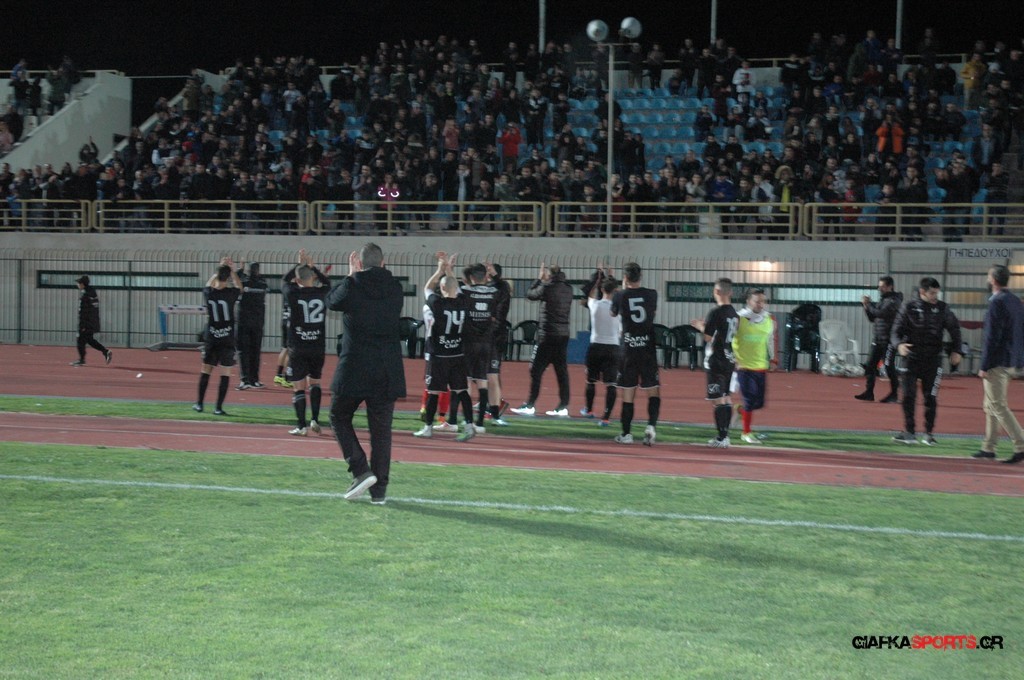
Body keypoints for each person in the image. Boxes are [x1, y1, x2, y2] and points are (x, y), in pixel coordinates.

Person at [327, 243, 406, 504]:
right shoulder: (395, 288)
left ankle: (360, 469)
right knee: (381, 432)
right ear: (383, 262)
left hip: (355, 366)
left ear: (360, 263)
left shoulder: (352, 285)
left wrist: (351, 276)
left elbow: (332, 301)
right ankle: (379, 492)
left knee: (338, 415)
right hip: (387, 369)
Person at [890, 277, 962, 445]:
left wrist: (957, 350)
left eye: (937, 293)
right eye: (932, 293)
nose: (935, 296)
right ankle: (909, 432)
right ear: (922, 291)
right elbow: (895, 331)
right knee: (908, 396)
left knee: (930, 397)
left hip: (933, 359)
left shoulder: (943, 308)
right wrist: (899, 345)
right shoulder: (908, 307)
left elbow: (954, 329)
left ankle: (929, 434)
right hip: (911, 358)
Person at [414, 253, 476, 442]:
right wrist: (449, 269)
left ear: (441, 288)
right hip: (457, 354)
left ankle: (428, 428)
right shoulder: (464, 302)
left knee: (434, 392)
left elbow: (427, 288)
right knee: (462, 391)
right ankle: (469, 426)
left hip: (438, 355)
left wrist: (439, 270)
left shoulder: (437, 303)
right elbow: (454, 286)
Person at [973, 265, 1024, 463]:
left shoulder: (996, 302)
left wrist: (984, 365)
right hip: (1010, 360)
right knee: (990, 405)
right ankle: (989, 447)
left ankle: (1021, 444)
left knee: (998, 405)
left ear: (993, 280)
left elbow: (992, 337)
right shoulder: (1015, 301)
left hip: (997, 361)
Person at [511, 262, 573, 417]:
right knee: (561, 372)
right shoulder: (568, 289)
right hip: (563, 334)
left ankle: (530, 404)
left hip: (547, 335)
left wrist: (539, 280)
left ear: (549, 274)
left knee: (536, 370)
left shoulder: (547, 287)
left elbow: (530, 294)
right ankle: (563, 405)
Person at [281, 250, 330, 436]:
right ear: (313, 278)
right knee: (315, 382)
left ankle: (301, 426)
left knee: (298, 386)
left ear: (297, 279)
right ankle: (315, 419)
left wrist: (298, 265)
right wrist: (313, 267)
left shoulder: (292, 292)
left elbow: (284, 281)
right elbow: (328, 283)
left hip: (298, 346)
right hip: (317, 346)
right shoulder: (322, 292)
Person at [610, 262, 661, 446]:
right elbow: (652, 312)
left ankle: (626, 434)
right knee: (653, 389)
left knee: (628, 392)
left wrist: (622, 291)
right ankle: (651, 427)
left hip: (628, 349)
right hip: (647, 348)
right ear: (641, 277)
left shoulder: (620, 295)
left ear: (625, 278)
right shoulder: (652, 294)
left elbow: (613, 313)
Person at [691, 277, 739, 447]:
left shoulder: (716, 312)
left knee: (717, 399)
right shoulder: (734, 313)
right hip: (729, 357)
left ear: (716, 291)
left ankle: (722, 437)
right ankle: (725, 436)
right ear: (730, 292)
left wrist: (700, 326)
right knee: (726, 396)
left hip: (716, 359)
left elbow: (708, 337)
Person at [193, 258, 242, 415]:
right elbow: (239, 287)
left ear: (217, 276)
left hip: (212, 338)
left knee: (206, 370)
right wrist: (232, 271)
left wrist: (218, 271)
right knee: (225, 373)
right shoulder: (230, 293)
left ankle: (199, 404)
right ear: (227, 278)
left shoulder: (209, 293)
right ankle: (218, 407)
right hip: (227, 338)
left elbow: (207, 285)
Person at [732, 288, 776, 444]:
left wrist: (773, 359)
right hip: (743, 366)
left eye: (763, 301)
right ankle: (746, 433)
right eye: (757, 301)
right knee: (749, 400)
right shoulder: (738, 318)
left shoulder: (769, 319)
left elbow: (770, 340)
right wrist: (733, 359)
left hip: (760, 366)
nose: (760, 304)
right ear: (748, 301)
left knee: (759, 403)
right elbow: (728, 339)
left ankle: (740, 409)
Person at [580, 266, 621, 427]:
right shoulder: (619, 308)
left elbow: (589, 293)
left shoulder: (595, 304)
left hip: (595, 346)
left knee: (590, 381)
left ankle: (589, 410)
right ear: (615, 290)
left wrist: (598, 279)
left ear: (601, 289)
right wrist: (612, 278)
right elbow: (621, 294)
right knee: (611, 384)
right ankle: (605, 417)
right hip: (613, 347)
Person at [854, 276, 903, 403]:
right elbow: (873, 317)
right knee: (870, 365)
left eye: (882, 286)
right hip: (878, 338)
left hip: (889, 340)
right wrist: (866, 306)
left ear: (890, 286)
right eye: (879, 286)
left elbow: (880, 313)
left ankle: (894, 394)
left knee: (888, 366)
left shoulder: (894, 301)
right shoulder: (883, 300)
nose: (879, 289)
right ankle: (869, 392)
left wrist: (869, 304)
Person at [235, 261, 267, 389]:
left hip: (244, 322)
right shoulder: (263, 283)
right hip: (257, 322)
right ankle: (254, 379)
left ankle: (245, 379)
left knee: (244, 351)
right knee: (255, 351)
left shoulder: (244, 283)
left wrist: (240, 270)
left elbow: (235, 281)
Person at [70, 275, 112, 367]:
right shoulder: (92, 292)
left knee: (80, 340)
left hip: (87, 322)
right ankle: (105, 351)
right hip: (93, 321)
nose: (78, 285)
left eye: (79, 283)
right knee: (89, 339)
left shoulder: (85, 295)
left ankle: (82, 360)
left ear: (82, 284)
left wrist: (82, 325)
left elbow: (84, 312)